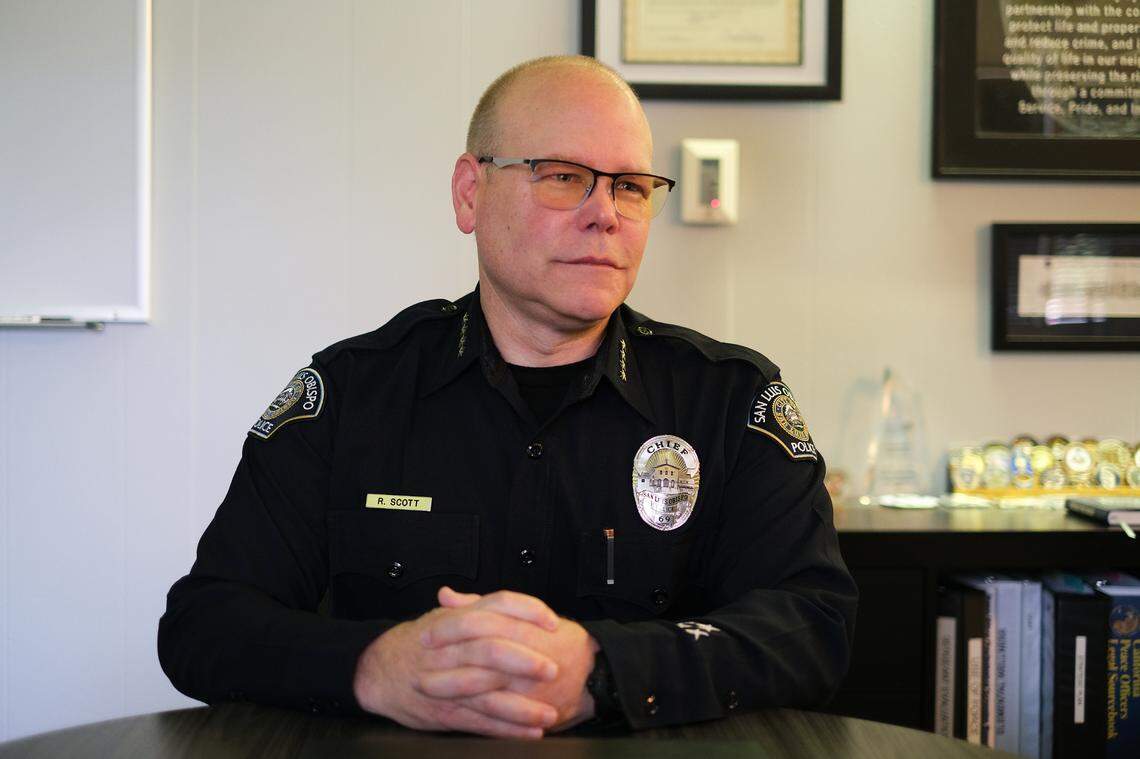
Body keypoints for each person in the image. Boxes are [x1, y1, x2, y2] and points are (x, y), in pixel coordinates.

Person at [158, 55, 857, 740]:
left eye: (632, 187)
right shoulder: (351, 394)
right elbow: (205, 622)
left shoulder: (729, 400)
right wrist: (374, 665)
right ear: (471, 193)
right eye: (563, 177)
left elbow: (813, 621)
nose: (605, 215)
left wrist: (603, 670)